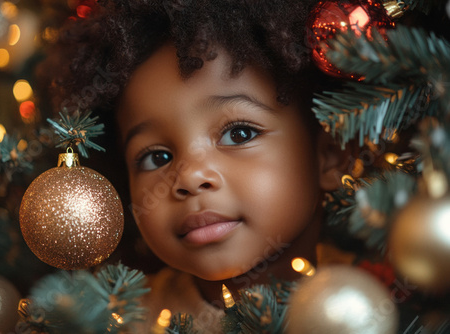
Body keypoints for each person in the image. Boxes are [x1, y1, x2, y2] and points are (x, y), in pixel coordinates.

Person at [40, 0, 351, 331]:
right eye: (156, 157)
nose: (188, 176)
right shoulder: (118, 322)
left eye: (239, 134)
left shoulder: (388, 296)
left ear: (328, 155)